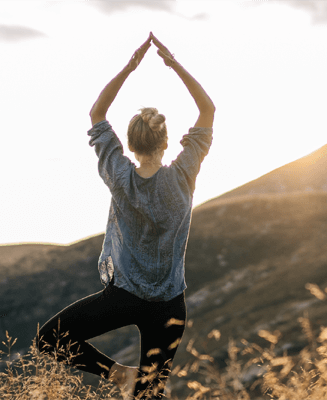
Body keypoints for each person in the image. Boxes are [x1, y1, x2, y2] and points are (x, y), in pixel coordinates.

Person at [35, 32, 215, 400]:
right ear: (166, 142)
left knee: (47, 340)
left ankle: (117, 374)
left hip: (124, 296)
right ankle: (130, 380)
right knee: (150, 395)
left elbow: (97, 114)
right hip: (168, 304)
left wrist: (129, 67)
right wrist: (173, 63)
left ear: (130, 145)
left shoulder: (118, 175)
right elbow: (208, 110)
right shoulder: (183, 175)